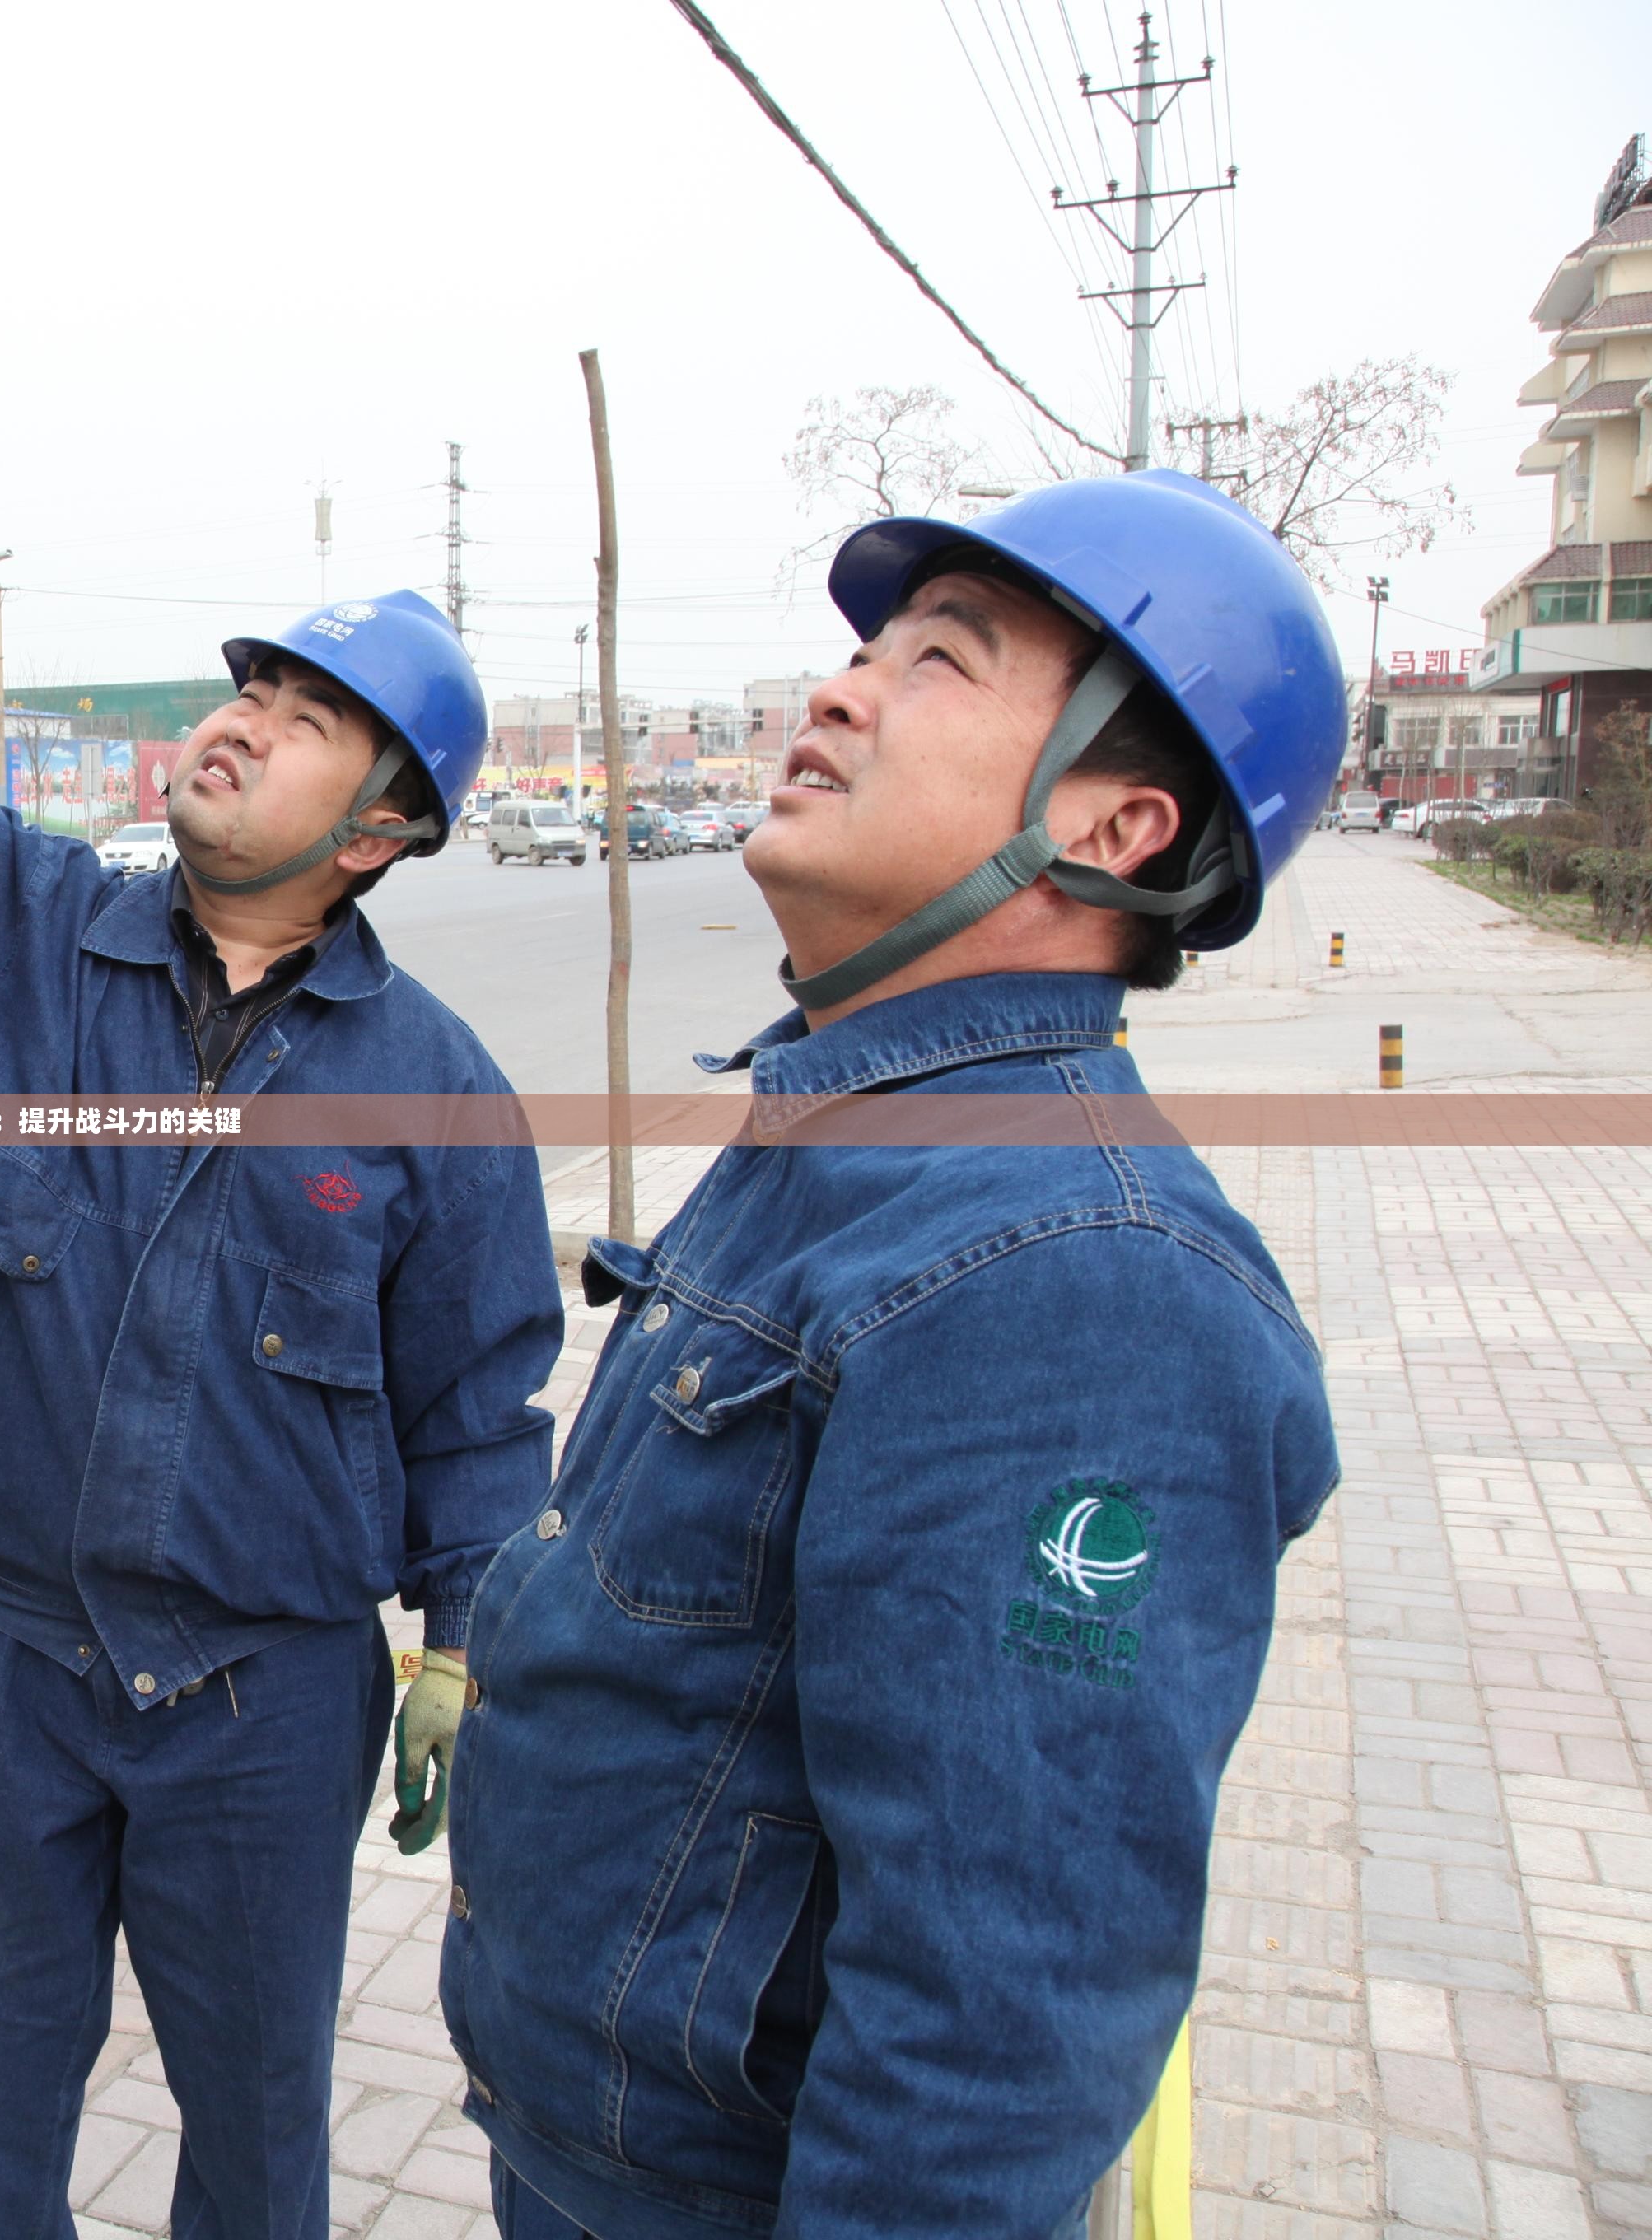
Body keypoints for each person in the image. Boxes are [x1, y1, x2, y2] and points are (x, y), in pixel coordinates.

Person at [0, 186, 561, 2240]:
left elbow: (476, 1402)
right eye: (244, 691)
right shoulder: (10, 934)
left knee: (258, 2119)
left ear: (380, 828)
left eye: (302, 719)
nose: (240, 719)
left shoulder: (438, 1089)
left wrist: (464, 1649)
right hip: (12, 1653)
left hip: (271, 1701)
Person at [438, 470, 1345, 2237]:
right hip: (590, 2161)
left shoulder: (1083, 1281)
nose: (838, 689)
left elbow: (993, 2027)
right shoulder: (855, 1139)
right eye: (864, 647)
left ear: (1122, 828)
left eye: (943, 659)